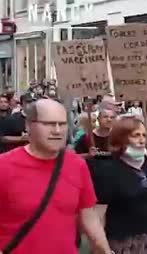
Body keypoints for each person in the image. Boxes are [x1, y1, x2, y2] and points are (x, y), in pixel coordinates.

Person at [0, 99, 111, 254]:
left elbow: (88, 216)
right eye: (49, 124)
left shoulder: (77, 165)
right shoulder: (4, 166)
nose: (58, 131)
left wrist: (105, 250)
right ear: (28, 126)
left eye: (62, 124)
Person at [90, 115, 147, 253]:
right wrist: (101, 247)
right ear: (122, 138)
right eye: (136, 135)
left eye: (144, 135)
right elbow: (99, 216)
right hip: (125, 242)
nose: (142, 140)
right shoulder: (107, 170)